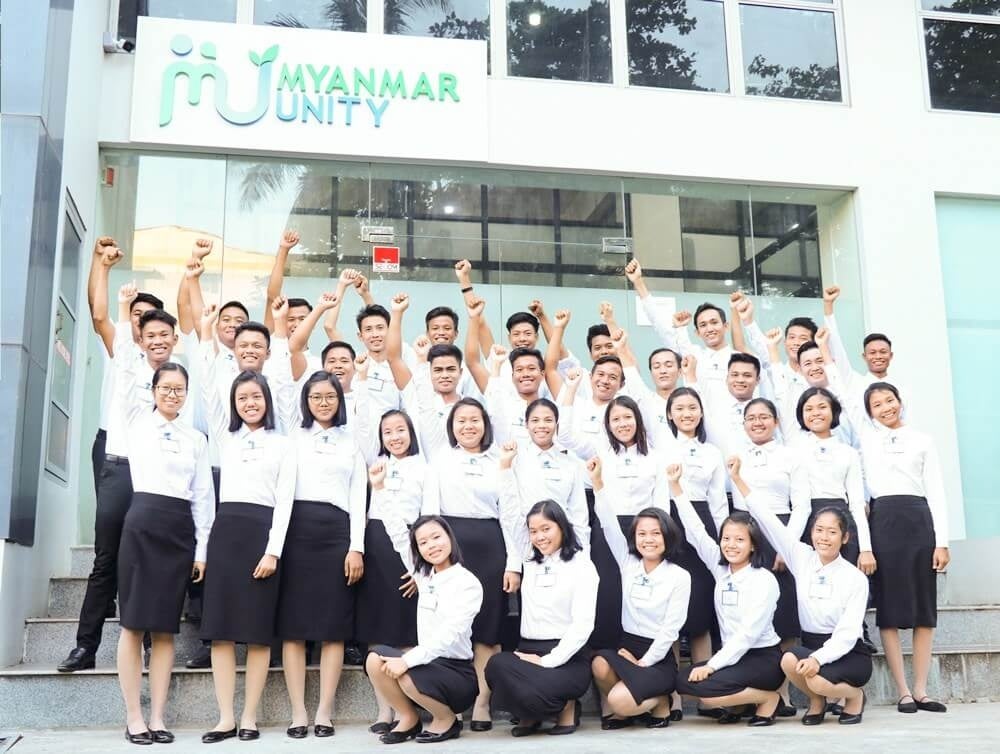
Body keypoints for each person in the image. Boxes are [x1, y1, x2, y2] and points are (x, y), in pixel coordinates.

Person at [59, 277, 172, 674]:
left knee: (148, 560)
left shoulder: (177, 378)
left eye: (164, 334)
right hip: (120, 469)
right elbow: (120, 342)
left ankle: (148, 643)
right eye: (148, 332)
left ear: (173, 339)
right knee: (106, 559)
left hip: (156, 478)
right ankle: (84, 647)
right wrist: (124, 306)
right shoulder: (126, 363)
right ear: (139, 335)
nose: (156, 340)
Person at [828, 367, 950, 714]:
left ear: (900, 401)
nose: (885, 407)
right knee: (890, 610)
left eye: (889, 400)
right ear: (869, 412)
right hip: (883, 522)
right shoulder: (865, 440)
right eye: (877, 404)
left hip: (919, 521)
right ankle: (903, 691)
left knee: (924, 610)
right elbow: (843, 393)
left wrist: (942, 541)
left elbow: (936, 492)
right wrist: (826, 347)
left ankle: (922, 689)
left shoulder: (922, 439)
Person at [198, 308, 295, 744]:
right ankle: (224, 717)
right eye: (242, 398)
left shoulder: (283, 443)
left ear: (267, 400)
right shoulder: (226, 436)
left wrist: (274, 550)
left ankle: (250, 716)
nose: (250, 403)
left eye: (256, 397)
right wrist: (206, 334)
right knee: (221, 632)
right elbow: (208, 389)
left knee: (257, 634)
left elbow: (285, 503)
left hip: (262, 535)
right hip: (227, 533)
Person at [114, 352, 213, 745]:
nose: (173, 395)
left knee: (165, 628)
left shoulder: (196, 439)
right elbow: (124, 376)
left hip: (179, 531)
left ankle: (157, 716)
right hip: (142, 525)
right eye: (166, 388)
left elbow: (203, 497)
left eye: (179, 389)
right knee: (133, 625)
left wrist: (201, 550)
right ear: (152, 391)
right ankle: (134, 717)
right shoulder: (137, 423)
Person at [732, 457, 872, 725]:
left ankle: (854, 696)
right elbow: (768, 520)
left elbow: (846, 635)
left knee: (816, 678)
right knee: (788, 660)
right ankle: (817, 701)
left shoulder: (854, 578)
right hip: (811, 644)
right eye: (819, 530)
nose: (824, 537)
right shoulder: (802, 558)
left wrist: (818, 659)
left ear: (845, 538)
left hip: (848, 653)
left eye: (832, 532)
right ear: (811, 532)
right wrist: (739, 480)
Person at [421, 398, 521, 730]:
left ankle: (482, 702)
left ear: (485, 424)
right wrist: (431, 557)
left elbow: (510, 514)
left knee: (487, 630)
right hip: (451, 547)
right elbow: (430, 512)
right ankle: (452, 701)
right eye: (461, 420)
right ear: (452, 426)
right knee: (450, 625)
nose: (468, 426)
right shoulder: (440, 460)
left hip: (491, 548)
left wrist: (514, 562)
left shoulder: (500, 460)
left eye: (474, 420)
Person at [277, 371, 367, 740]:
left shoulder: (352, 441)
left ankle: (324, 711)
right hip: (298, 533)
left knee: (333, 627)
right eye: (316, 397)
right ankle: (298, 711)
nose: (323, 403)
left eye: (330, 396)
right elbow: (284, 493)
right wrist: (276, 547)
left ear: (339, 400)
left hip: (337, 534)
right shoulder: (295, 438)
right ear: (306, 401)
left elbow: (358, 497)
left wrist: (356, 546)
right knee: (294, 628)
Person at [669, 467, 784, 726]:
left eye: (739, 540)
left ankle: (769, 699)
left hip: (762, 658)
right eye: (726, 538)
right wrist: (676, 488)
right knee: (683, 681)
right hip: (734, 657)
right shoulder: (722, 570)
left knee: (708, 697)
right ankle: (741, 703)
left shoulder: (764, 580)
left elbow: (747, 635)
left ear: (753, 544)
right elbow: (696, 532)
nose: (731, 545)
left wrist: (712, 665)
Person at [559, 382, 669, 650]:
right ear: (607, 425)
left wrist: (658, 537)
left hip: (643, 531)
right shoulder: (599, 451)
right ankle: (603, 660)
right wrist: (571, 389)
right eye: (615, 419)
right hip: (608, 529)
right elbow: (565, 435)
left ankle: (639, 654)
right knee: (608, 592)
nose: (622, 424)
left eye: (627, 417)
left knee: (639, 593)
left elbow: (661, 502)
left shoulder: (655, 457)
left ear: (637, 420)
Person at [588, 458, 690, 729]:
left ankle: (660, 702)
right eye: (642, 534)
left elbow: (670, 630)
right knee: (599, 664)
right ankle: (631, 708)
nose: (648, 539)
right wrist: (598, 483)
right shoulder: (628, 564)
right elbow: (609, 525)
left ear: (667, 536)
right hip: (627, 647)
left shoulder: (679, 576)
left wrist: (644, 662)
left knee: (619, 700)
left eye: (656, 533)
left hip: (657, 656)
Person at [486, 499, 599, 737]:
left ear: (562, 527)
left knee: (533, 686)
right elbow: (510, 517)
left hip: (567, 656)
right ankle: (532, 714)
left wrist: (548, 661)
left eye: (546, 529)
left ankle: (567, 707)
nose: (539, 537)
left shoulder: (582, 565)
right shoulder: (529, 558)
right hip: (528, 649)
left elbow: (583, 624)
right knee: (497, 665)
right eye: (533, 531)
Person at [355, 362, 427, 733]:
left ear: (411, 433)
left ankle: (410, 706)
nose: (394, 436)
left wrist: (419, 569)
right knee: (377, 630)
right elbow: (362, 422)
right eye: (388, 432)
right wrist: (362, 380)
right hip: (377, 546)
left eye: (401, 430)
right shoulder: (375, 463)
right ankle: (386, 709)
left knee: (407, 631)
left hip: (411, 550)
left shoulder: (423, 466)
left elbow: (429, 517)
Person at [366, 515, 483, 744]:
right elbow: (398, 535)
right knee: (374, 660)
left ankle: (446, 719)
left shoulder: (467, 583)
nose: (431, 545)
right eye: (423, 542)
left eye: (436, 537)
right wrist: (382, 493)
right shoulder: (424, 575)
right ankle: (409, 718)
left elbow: (448, 635)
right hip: (427, 664)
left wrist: (407, 660)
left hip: (457, 673)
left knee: (407, 675)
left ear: (450, 537)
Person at [730, 397, 809, 715]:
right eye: (751, 418)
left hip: (782, 532)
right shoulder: (735, 455)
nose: (758, 422)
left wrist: (786, 545)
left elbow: (801, 505)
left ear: (776, 422)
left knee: (783, 619)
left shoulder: (791, 456)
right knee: (747, 614)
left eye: (764, 417)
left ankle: (782, 694)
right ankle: (750, 694)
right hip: (746, 534)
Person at [662, 387, 728, 704]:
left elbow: (718, 503)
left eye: (692, 407)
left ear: (701, 413)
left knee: (701, 613)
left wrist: (722, 539)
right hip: (669, 525)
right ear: (669, 414)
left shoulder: (711, 453)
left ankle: (706, 696)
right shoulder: (660, 449)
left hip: (703, 526)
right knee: (669, 613)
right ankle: (672, 697)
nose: (686, 414)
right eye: (679, 408)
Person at [787, 387, 873, 572]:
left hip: (843, 523)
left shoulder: (848, 453)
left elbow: (857, 504)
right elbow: (800, 507)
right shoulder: (795, 452)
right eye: (809, 409)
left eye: (822, 407)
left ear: (834, 411)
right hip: (808, 523)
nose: (815, 413)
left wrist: (866, 549)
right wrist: (787, 545)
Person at [498, 399, 589, 549]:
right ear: (526, 424)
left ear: (556, 424)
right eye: (535, 420)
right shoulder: (514, 459)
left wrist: (582, 551)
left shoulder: (570, 464)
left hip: (564, 545)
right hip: (526, 543)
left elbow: (579, 514)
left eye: (548, 420)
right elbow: (508, 510)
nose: (541, 425)